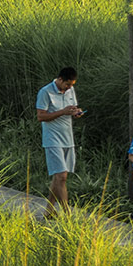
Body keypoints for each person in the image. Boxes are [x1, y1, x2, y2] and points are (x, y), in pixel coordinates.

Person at [35, 67, 82, 214]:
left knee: (59, 177)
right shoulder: (45, 92)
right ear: (60, 79)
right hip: (52, 139)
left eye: (72, 85)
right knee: (61, 176)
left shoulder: (70, 91)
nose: (70, 87)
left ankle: (49, 210)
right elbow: (41, 116)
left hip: (68, 138)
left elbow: (72, 107)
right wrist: (62, 111)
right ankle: (67, 214)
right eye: (67, 84)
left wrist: (76, 112)